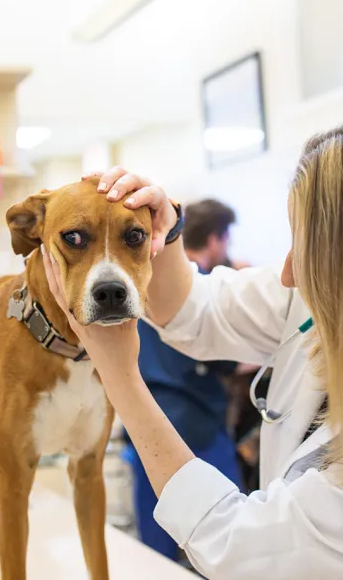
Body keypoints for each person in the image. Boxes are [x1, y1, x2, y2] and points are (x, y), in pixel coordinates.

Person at [41, 106, 343, 579]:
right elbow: (195, 312)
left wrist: (120, 377)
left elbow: (239, 551)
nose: (286, 272)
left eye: (309, 247)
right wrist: (164, 233)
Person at [123, 199, 245, 563]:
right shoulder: (202, 286)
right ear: (215, 239)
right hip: (198, 429)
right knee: (230, 543)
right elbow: (226, 359)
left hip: (145, 426)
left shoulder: (141, 280)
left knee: (154, 551)